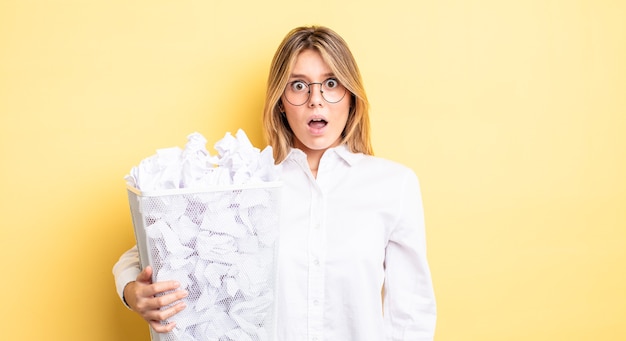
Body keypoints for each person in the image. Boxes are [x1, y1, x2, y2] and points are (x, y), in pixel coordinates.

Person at [113, 25, 437, 340]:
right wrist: (133, 290)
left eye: (331, 83)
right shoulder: (247, 183)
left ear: (351, 96)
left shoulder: (394, 185)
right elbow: (146, 250)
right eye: (299, 85)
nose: (316, 100)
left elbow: (411, 312)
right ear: (280, 101)